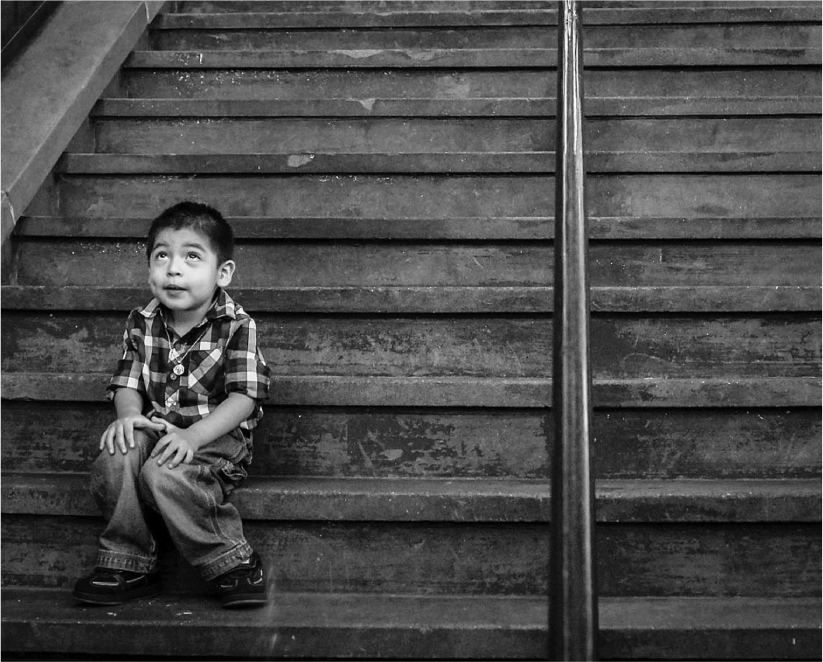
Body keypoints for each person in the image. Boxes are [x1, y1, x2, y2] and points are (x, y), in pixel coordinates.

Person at [72, 201, 271, 608]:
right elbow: (127, 382)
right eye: (162, 256)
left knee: (163, 476)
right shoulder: (142, 322)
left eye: (191, 257)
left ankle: (233, 561)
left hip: (215, 438)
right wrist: (129, 417)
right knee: (118, 455)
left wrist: (193, 437)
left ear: (223, 273)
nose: (174, 269)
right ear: (149, 271)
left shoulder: (236, 326)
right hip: (158, 428)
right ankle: (128, 561)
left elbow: (244, 398)